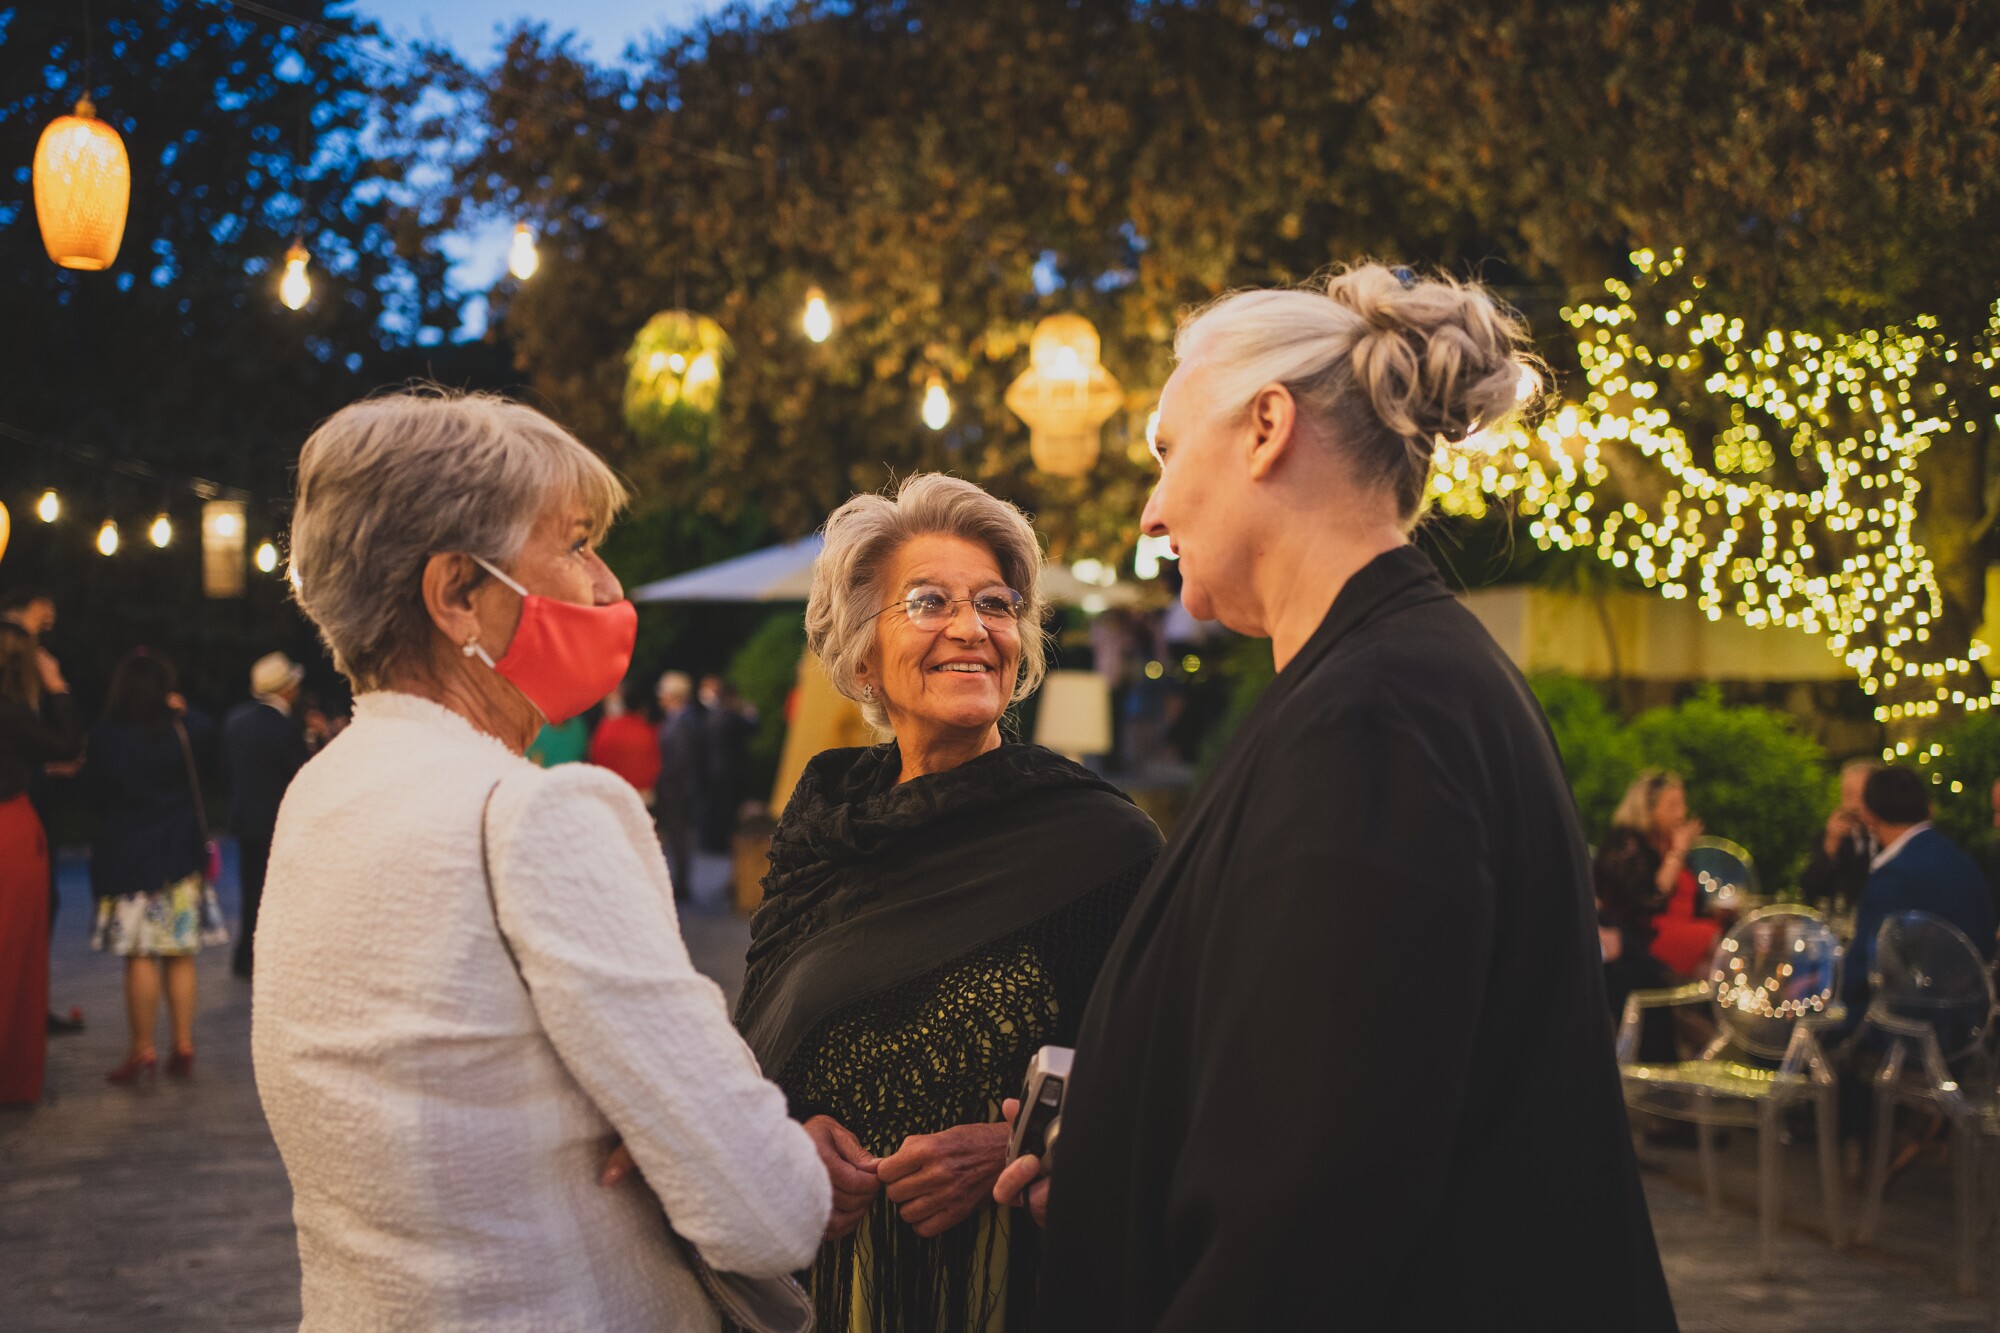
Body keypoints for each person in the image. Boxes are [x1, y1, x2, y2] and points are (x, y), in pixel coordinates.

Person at [997, 267, 1675, 1329]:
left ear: (1266, 426)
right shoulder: (1387, 677)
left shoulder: (1372, 719)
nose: (1153, 508)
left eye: (1167, 452)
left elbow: (1312, 1207)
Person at [253, 389, 828, 1330]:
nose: (605, 584)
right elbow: (771, 1212)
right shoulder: (533, 814)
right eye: (573, 542)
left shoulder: (321, 791)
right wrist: (691, 1137)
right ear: (455, 595)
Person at [734, 473, 1163, 1333]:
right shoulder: (824, 829)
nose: (971, 628)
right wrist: (789, 1136)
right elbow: (754, 1049)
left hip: (1010, 1292)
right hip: (827, 1295)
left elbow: (1169, 1076)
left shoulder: (1100, 844)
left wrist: (1017, 1145)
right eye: (928, 602)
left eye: (996, 605)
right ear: (863, 653)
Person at [87, 649, 215, 1084]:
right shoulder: (182, 731)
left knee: (138, 953)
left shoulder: (106, 735)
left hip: (127, 856)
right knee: (180, 953)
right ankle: (183, 1042)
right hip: (178, 857)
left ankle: (141, 1048)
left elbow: (96, 795)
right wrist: (184, 708)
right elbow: (208, 735)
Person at [1843, 765, 1998, 1021]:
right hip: (1975, 1013)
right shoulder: (1956, 858)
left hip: (1918, 1023)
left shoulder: (1895, 873)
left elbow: (1864, 967)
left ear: (1869, 815)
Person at [0, 623, 82, 1104]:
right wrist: (58, 689)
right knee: (15, 949)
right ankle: (12, 1074)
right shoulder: (10, 712)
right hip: (9, 829)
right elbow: (66, 744)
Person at [221, 652, 312, 980]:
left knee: (251, 891)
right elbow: (301, 773)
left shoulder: (236, 720)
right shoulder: (284, 727)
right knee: (280, 892)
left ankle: (245, 954)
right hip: (278, 822)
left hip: (246, 820)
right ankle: (273, 955)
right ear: (286, 688)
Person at [1595, 770, 1720, 977]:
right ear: (1647, 809)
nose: (1681, 814)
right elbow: (1649, 899)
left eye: (1682, 805)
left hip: (1683, 927)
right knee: (1719, 944)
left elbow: (1695, 902)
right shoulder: (1628, 844)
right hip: (1645, 935)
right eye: (1672, 806)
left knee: (1727, 943)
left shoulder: (1667, 843)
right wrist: (1677, 853)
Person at [1800, 758, 1880, 911]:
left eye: (1861, 795)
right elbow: (1808, 890)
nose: (1853, 805)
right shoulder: (1827, 836)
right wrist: (1831, 845)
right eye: (1848, 795)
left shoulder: (1887, 836)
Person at [654, 670, 707, 897]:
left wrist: (667, 783)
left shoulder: (682, 721)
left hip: (678, 789)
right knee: (679, 838)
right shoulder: (684, 718)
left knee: (679, 838)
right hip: (681, 787)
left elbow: (680, 759)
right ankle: (681, 882)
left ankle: (682, 885)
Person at [697, 674, 752, 854]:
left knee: (713, 809)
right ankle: (724, 844)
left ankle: (711, 843)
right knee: (726, 811)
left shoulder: (710, 717)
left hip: (712, 769)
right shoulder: (730, 716)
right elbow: (751, 728)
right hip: (728, 771)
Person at [587, 677, 662, 800]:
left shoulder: (606, 727)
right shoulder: (651, 731)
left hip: (613, 794)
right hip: (644, 797)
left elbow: (596, 758)